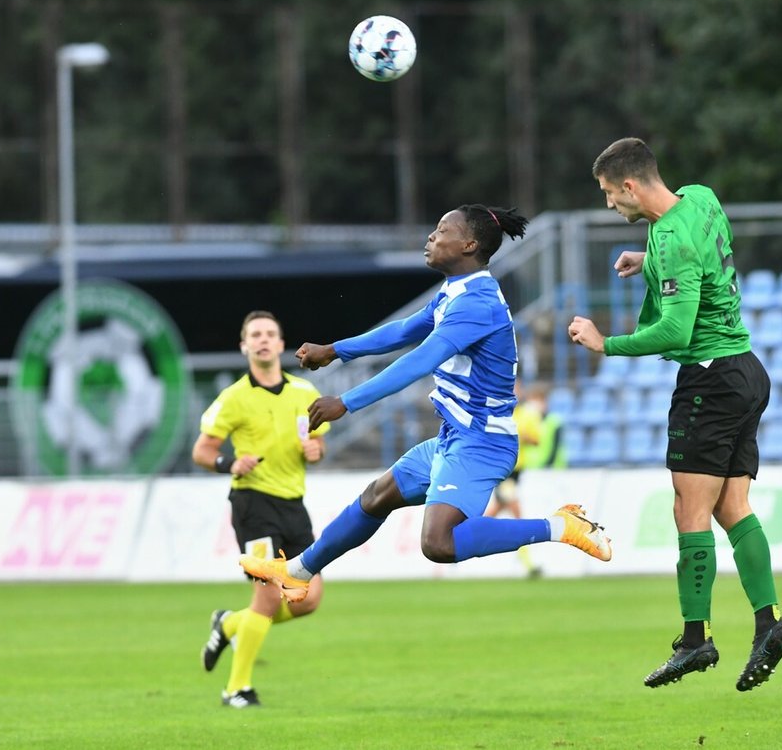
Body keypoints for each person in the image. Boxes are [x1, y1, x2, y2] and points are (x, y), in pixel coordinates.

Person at [238, 204, 611, 602]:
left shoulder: (478, 303)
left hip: (483, 442)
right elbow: (403, 331)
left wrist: (346, 402)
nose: (431, 237)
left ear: (468, 244)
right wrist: (335, 350)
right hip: (456, 438)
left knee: (439, 543)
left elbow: (420, 359)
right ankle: (298, 571)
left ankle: (562, 526)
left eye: (441, 231)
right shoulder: (456, 292)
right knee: (376, 497)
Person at [568, 137, 782, 692]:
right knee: (733, 507)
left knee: (688, 511)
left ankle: (695, 640)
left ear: (629, 185)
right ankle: (769, 623)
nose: (608, 206)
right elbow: (706, 253)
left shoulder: (668, 239)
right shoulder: (701, 197)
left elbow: (675, 330)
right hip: (746, 369)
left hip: (709, 380)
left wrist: (605, 343)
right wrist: (649, 263)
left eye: (607, 194)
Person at [192, 310, 330, 709]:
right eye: (256, 334)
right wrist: (229, 464)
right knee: (269, 597)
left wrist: (316, 451)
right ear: (244, 346)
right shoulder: (233, 397)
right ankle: (236, 688)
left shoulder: (305, 392)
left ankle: (231, 623)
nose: (264, 339)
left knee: (309, 598)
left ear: (281, 344)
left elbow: (319, 446)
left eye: (270, 333)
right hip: (252, 505)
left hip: (293, 503)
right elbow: (202, 450)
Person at [484, 381, 567, 578]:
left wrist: (518, 435)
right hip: (503, 473)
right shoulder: (496, 413)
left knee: (494, 513)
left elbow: (536, 440)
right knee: (517, 514)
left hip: (517, 473)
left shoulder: (525, 416)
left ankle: (460, 538)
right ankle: (528, 563)